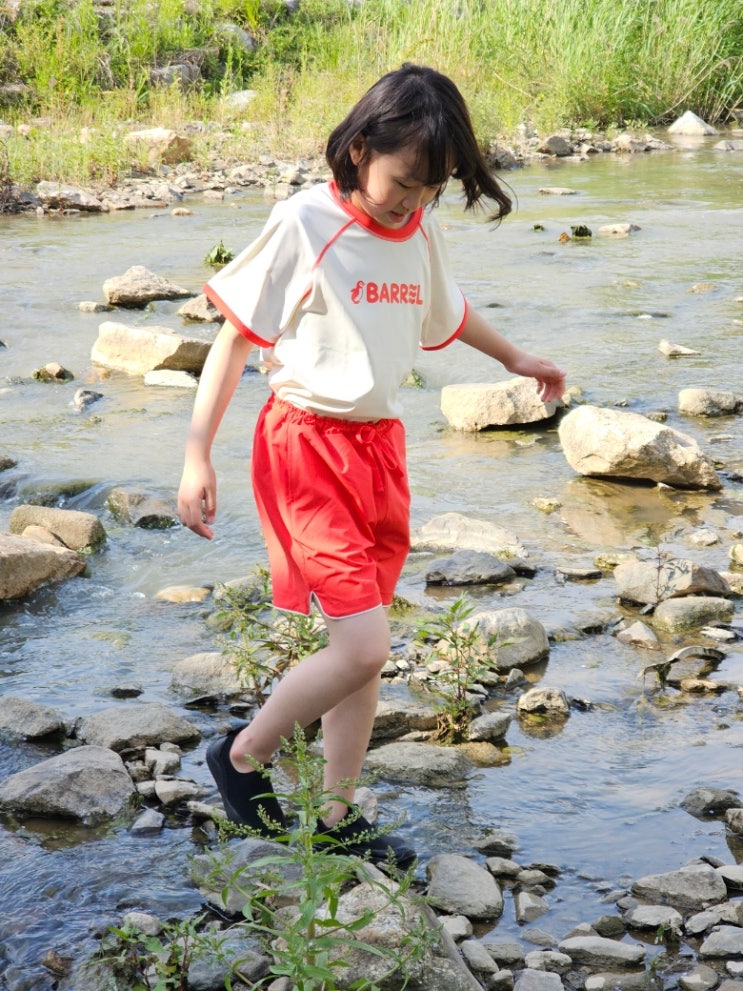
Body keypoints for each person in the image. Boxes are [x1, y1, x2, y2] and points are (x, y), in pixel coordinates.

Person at [178, 63, 566, 868]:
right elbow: (234, 338)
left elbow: (447, 310)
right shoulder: (304, 222)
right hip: (304, 449)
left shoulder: (419, 229)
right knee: (362, 646)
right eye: (402, 182)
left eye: (431, 188)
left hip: (378, 450)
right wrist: (195, 455)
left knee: (365, 647)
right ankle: (243, 754)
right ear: (360, 149)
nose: (411, 201)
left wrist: (516, 356)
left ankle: (335, 813)